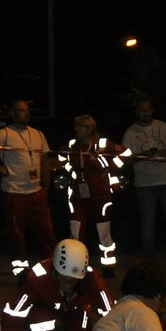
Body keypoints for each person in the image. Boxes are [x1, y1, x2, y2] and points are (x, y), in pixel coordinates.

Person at [0, 238, 114, 331]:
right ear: (54, 270)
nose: (67, 285)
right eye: (64, 280)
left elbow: (112, 312)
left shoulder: (90, 276)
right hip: (44, 307)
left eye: (73, 281)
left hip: (75, 308)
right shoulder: (37, 277)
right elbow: (12, 317)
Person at [0, 98, 57, 277]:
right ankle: (21, 273)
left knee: (46, 232)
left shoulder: (37, 134)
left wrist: (45, 187)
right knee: (16, 235)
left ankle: (53, 268)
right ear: (12, 114)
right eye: (21, 110)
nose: (26, 113)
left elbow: (45, 161)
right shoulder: (3, 134)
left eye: (27, 110)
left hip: (36, 192)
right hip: (13, 192)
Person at [122, 94, 166, 264]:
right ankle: (148, 259)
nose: (146, 113)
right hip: (145, 184)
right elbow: (125, 160)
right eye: (142, 110)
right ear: (136, 112)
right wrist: (143, 155)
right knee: (147, 221)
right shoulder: (130, 133)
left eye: (148, 109)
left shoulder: (164, 127)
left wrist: (165, 152)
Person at [60, 114, 128, 269]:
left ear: (89, 128)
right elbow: (60, 157)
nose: (76, 129)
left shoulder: (102, 144)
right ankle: (74, 265)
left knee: (104, 234)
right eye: (75, 126)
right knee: (75, 234)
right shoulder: (72, 145)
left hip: (100, 196)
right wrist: (72, 170)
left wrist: (111, 167)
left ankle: (108, 266)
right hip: (77, 196)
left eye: (79, 126)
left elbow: (126, 153)